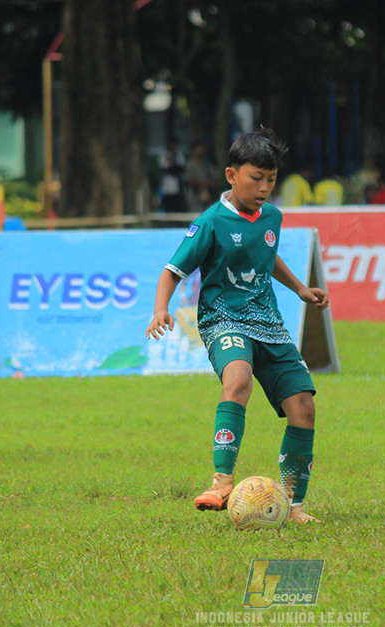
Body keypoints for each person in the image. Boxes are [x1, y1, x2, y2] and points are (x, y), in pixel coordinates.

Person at [145, 127, 330, 525]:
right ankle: (222, 481)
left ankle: (293, 504)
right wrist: (161, 309)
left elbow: (267, 255)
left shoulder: (272, 217)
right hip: (223, 319)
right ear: (231, 176)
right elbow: (171, 270)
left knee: (304, 407)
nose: (264, 188)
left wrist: (299, 288)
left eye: (271, 180)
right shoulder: (211, 222)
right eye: (255, 178)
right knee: (239, 378)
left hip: (269, 322)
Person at [184, 141, 219, 212]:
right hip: (195, 197)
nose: (200, 151)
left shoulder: (207, 164)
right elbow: (189, 180)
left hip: (208, 196)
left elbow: (214, 178)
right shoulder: (190, 165)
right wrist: (202, 184)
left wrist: (209, 184)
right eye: (198, 149)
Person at [158, 139, 187, 214]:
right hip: (167, 188)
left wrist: (173, 161)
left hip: (178, 189)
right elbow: (164, 168)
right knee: (168, 209)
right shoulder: (163, 154)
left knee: (178, 209)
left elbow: (180, 168)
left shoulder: (179, 154)